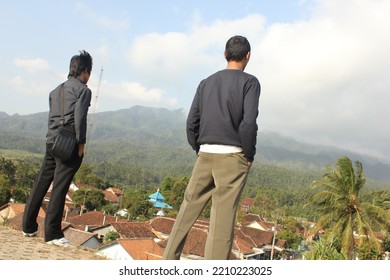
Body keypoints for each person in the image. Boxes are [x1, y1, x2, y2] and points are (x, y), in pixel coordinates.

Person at [163, 35, 261, 260]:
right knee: (221, 222)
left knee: (186, 212)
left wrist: (198, 147)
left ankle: (167, 263)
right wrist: (249, 153)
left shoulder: (206, 82)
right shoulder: (250, 82)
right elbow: (248, 123)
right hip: (233, 156)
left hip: (205, 153)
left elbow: (191, 122)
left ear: (225, 54)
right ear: (248, 56)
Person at [22, 50, 93, 247]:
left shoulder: (56, 90)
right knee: (60, 187)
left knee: (41, 182)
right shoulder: (84, 91)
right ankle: (53, 234)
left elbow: (53, 117)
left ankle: (28, 226)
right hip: (69, 143)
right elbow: (80, 119)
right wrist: (81, 145)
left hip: (51, 139)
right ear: (86, 71)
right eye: (89, 72)